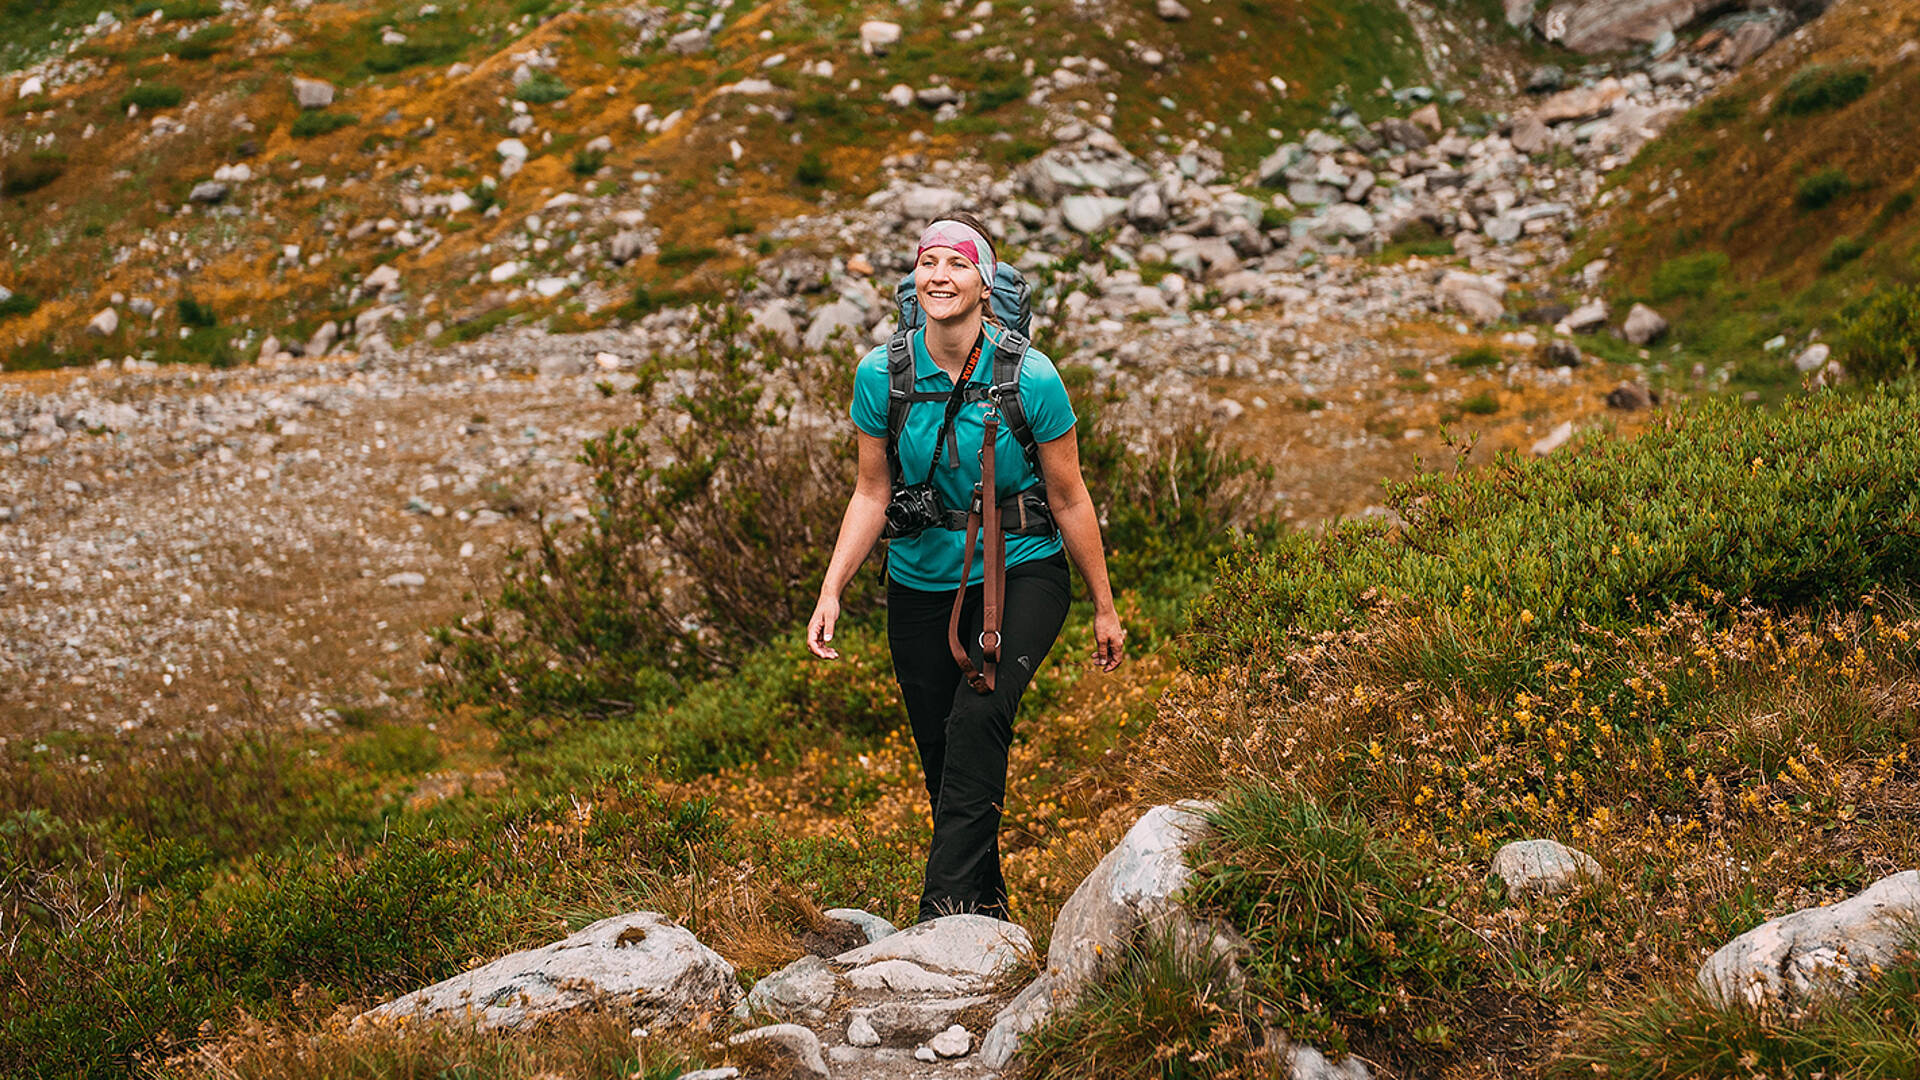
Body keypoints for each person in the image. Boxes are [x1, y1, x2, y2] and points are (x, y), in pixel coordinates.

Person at [806, 213, 1125, 922]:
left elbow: (1070, 496)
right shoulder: (879, 375)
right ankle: (986, 917)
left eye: (956, 263)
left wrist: (1104, 605)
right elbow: (870, 491)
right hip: (921, 580)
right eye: (928, 263)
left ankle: (940, 919)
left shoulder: (1031, 377)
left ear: (985, 283)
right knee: (943, 759)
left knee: (979, 716)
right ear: (913, 279)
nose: (939, 276)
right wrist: (832, 589)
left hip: (1024, 569)